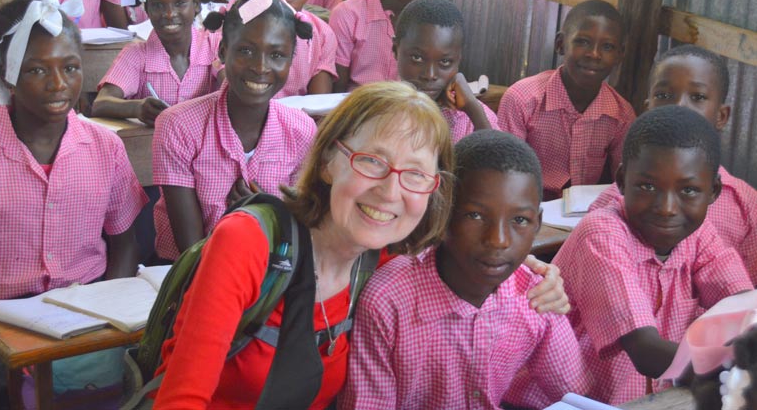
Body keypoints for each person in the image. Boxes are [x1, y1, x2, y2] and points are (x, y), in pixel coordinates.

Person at [150, 82, 570, 408]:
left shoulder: (385, 257)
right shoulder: (249, 243)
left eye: (414, 173)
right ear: (330, 160)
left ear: (433, 190)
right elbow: (180, 401)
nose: (390, 192)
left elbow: (477, 251)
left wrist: (529, 267)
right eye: (372, 161)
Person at [0, 0, 148, 408]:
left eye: (71, 68)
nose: (59, 84)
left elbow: (125, 243)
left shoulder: (105, 148)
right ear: (8, 75)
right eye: (38, 69)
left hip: (91, 312)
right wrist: (11, 328)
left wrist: (104, 317)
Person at [342, 130, 582, 410]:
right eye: (475, 216)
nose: (499, 240)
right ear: (443, 213)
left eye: (519, 220)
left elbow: (573, 392)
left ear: (538, 224)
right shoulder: (388, 300)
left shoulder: (537, 294)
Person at [552, 106, 753, 405]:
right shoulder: (602, 234)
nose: (667, 208)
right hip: (561, 401)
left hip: (645, 400)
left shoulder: (699, 235)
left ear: (712, 192)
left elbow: (745, 306)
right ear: (621, 181)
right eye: (647, 186)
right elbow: (644, 350)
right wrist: (734, 374)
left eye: (688, 191)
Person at [150, 0, 317, 261]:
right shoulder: (178, 127)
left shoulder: (301, 131)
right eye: (246, 51)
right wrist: (239, 224)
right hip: (187, 276)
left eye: (277, 55)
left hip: (268, 273)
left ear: (291, 60)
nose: (261, 67)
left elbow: (300, 230)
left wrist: (266, 214)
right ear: (223, 51)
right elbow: (190, 251)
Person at [590, 44, 757, 284]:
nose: (679, 107)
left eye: (697, 97)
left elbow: (745, 298)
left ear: (721, 116)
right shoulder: (615, 202)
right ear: (647, 109)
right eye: (664, 95)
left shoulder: (747, 205)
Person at [498, 0, 634, 200]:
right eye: (583, 42)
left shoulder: (621, 115)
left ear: (619, 55)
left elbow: (625, 185)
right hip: (522, 204)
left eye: (607, 47)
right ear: (560, 44)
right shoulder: (523, 99)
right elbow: (503, 172)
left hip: (584, 215)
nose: (594, 54)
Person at [91, 0, 219, 125]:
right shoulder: (137, 54)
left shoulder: (214, 46)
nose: (169, 14)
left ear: (196, 5)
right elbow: (100, 103)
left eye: (180, 3)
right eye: (158, 5)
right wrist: (137, 108)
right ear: (147, 9)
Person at [393, 0, 497, 142]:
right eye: (417, 58)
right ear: (395, 50)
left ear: (459, 59)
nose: (430, 75)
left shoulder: (473, 118)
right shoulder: (379, 111)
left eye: (445, 61)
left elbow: (497, 159)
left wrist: (474, 111)